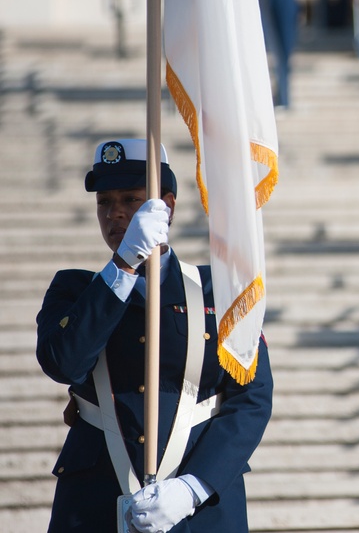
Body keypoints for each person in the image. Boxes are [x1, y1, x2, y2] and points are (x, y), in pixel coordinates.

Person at [36, 139, 274, 532]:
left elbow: (251, 397)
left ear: (166, 207)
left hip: (200, 506)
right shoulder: (73, 290)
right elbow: (64, 362)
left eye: (131, 200)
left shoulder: (221, 288)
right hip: (96, 501)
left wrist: (193, 487)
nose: (114, 213)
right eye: (104, 202)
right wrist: (123, 266)